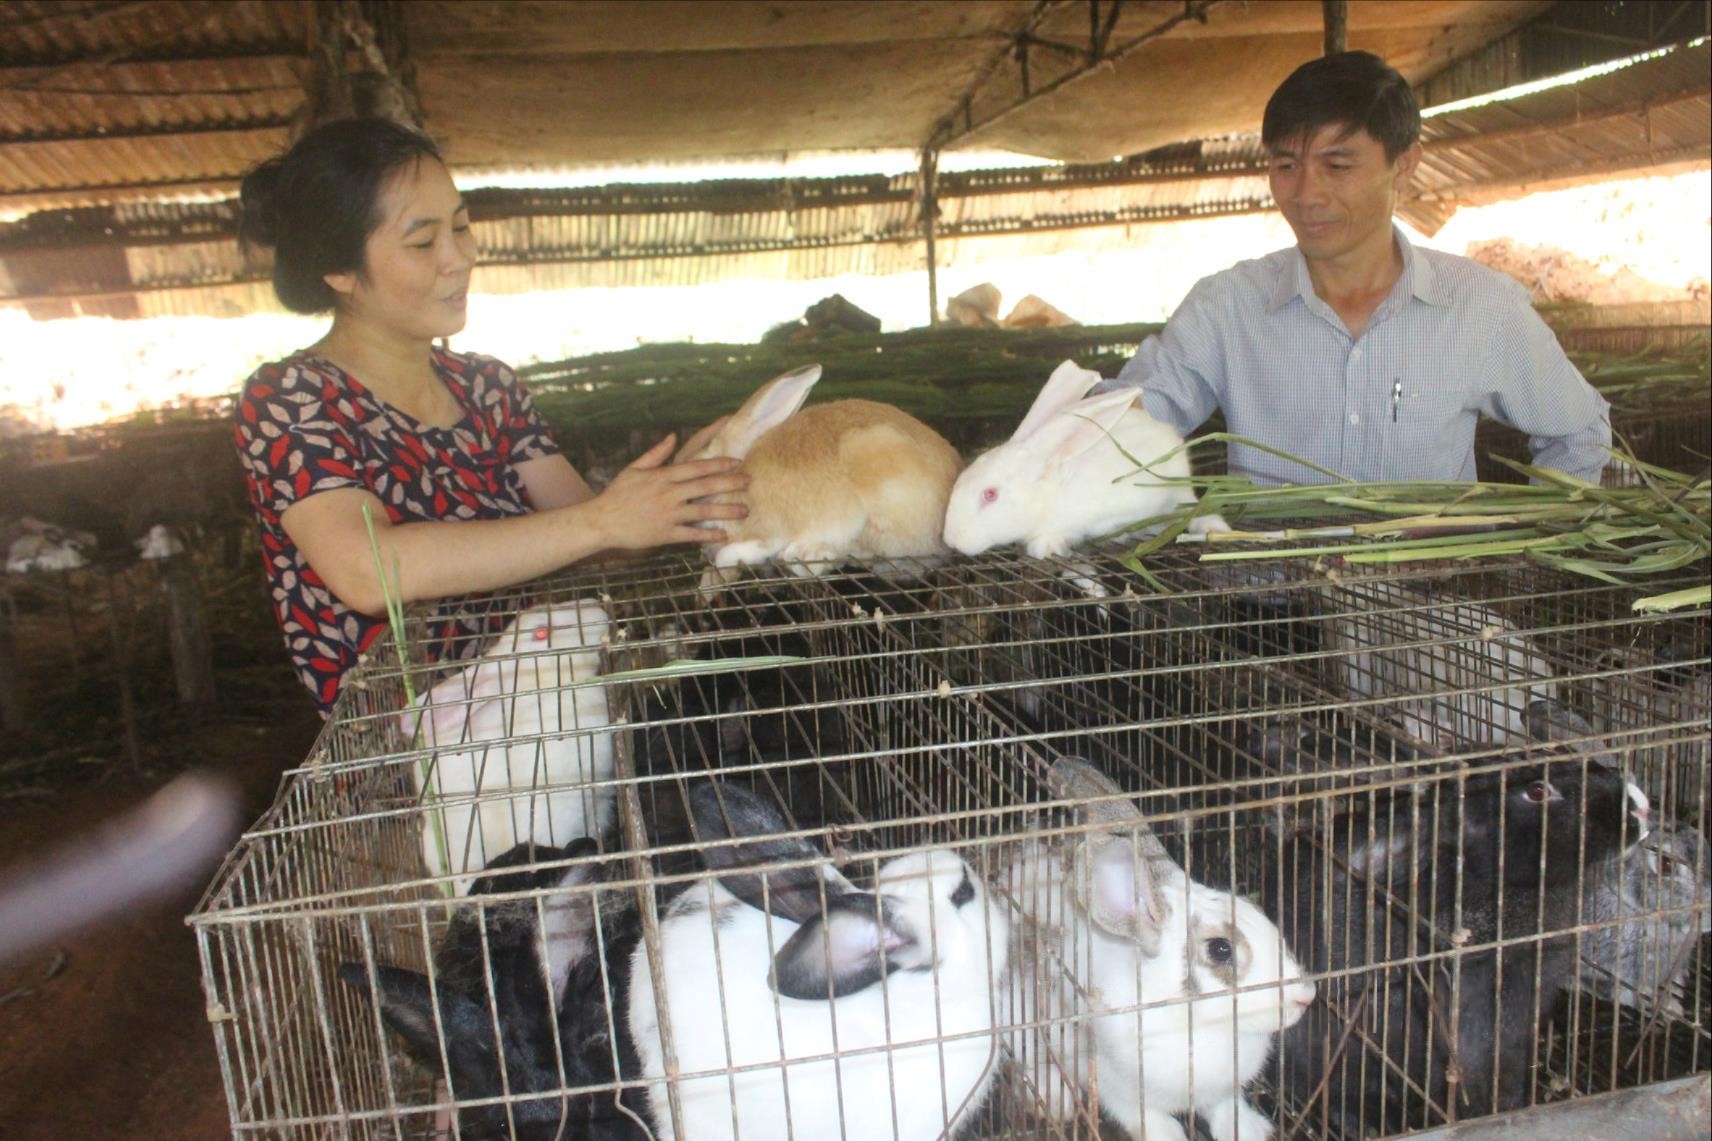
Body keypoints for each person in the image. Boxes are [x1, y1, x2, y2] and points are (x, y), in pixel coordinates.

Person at [233, 117, 747, 713]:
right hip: (413, 754)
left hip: (547, 713)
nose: (459, 259)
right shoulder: (290, 399)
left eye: (461, 227)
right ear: (339, 270)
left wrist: (675, 489)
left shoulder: (489, 387)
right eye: (423, 242)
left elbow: (591, 538)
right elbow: (369, 574)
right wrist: (602, 522)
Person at [1099, 51, 1612, 487]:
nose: (1305, 195)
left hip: (1431, 600)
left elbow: (1579, 434)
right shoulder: (1227, 307)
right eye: (1285, 166)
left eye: (1338, 166)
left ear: (1404, 164)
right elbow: (1131, 418)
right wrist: (1078, 434)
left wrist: (1526, 558)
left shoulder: (1480, 307)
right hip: (1265, 603)